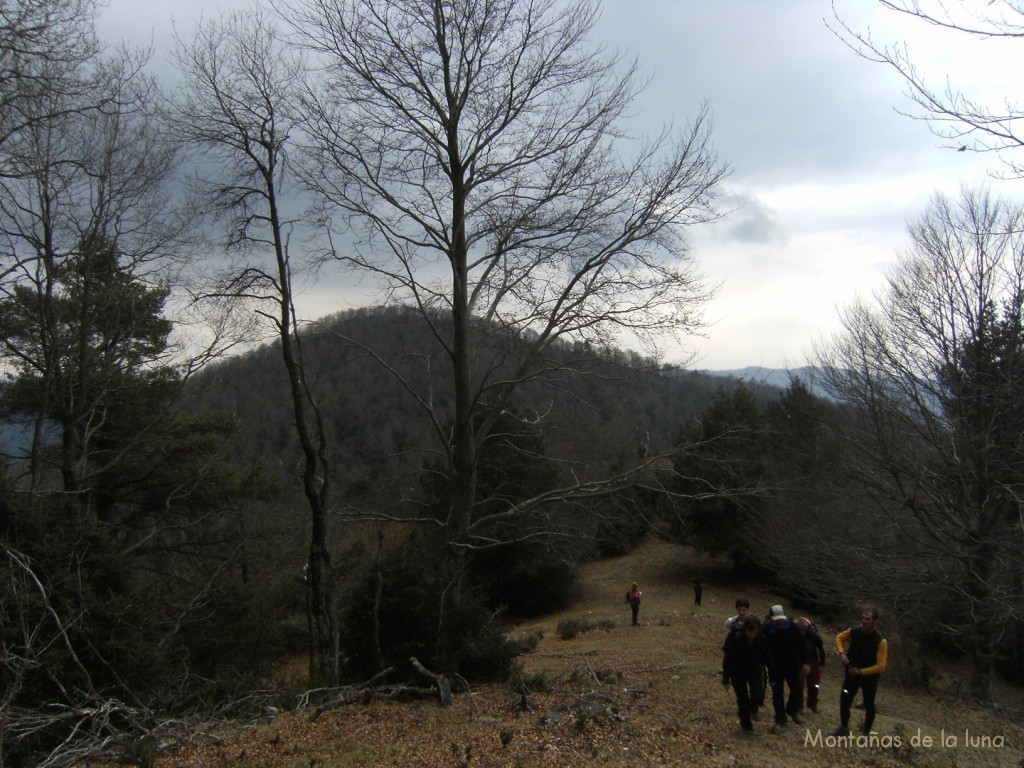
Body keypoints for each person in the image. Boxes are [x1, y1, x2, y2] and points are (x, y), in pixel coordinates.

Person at [831, 607, 888, 737]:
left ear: (874, 622)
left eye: (867, 619)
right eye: (863, 618)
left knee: (869, 704)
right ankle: (844, 727)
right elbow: (839, 637)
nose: (863, 621)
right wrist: (841, 653)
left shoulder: (881, 641)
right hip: (851, 673)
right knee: (845, 699)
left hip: (869, 678)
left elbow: (881, 666)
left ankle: (866, 733)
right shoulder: (854, 631)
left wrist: (860, 672)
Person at [722, 615, 773, 733]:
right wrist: (726, 679)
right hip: (738, 673)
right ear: (745, 629)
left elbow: (769, 658)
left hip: (755, 672)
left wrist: (772, 676)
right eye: (749, 631)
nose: (751, 634)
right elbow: (728, 659)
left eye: (754, 632)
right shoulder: (736, 639)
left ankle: (753, 709)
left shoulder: (761, 640)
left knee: (758, 697)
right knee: (742, 699)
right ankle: (746, 725)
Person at [763, 604, 809, 728]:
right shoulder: (767, 630)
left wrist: (804, 662)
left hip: (792, 664)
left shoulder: (792, 627)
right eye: (776, 619)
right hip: (775, 666)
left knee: (797, 688)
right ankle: (780, 718)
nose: (779, 622)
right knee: (777, 693)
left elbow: (801, 644)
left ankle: (792, 710)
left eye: (781, 619)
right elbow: (762, 647)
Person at [796, 617, 826, 713]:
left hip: (812, 660)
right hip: (799, 662)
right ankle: (799, 706)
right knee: (799, 684)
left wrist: (822, 664)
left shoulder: (813, 635)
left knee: (814, 685)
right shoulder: (793, 634)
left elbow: (821, 649)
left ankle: (813, 704)